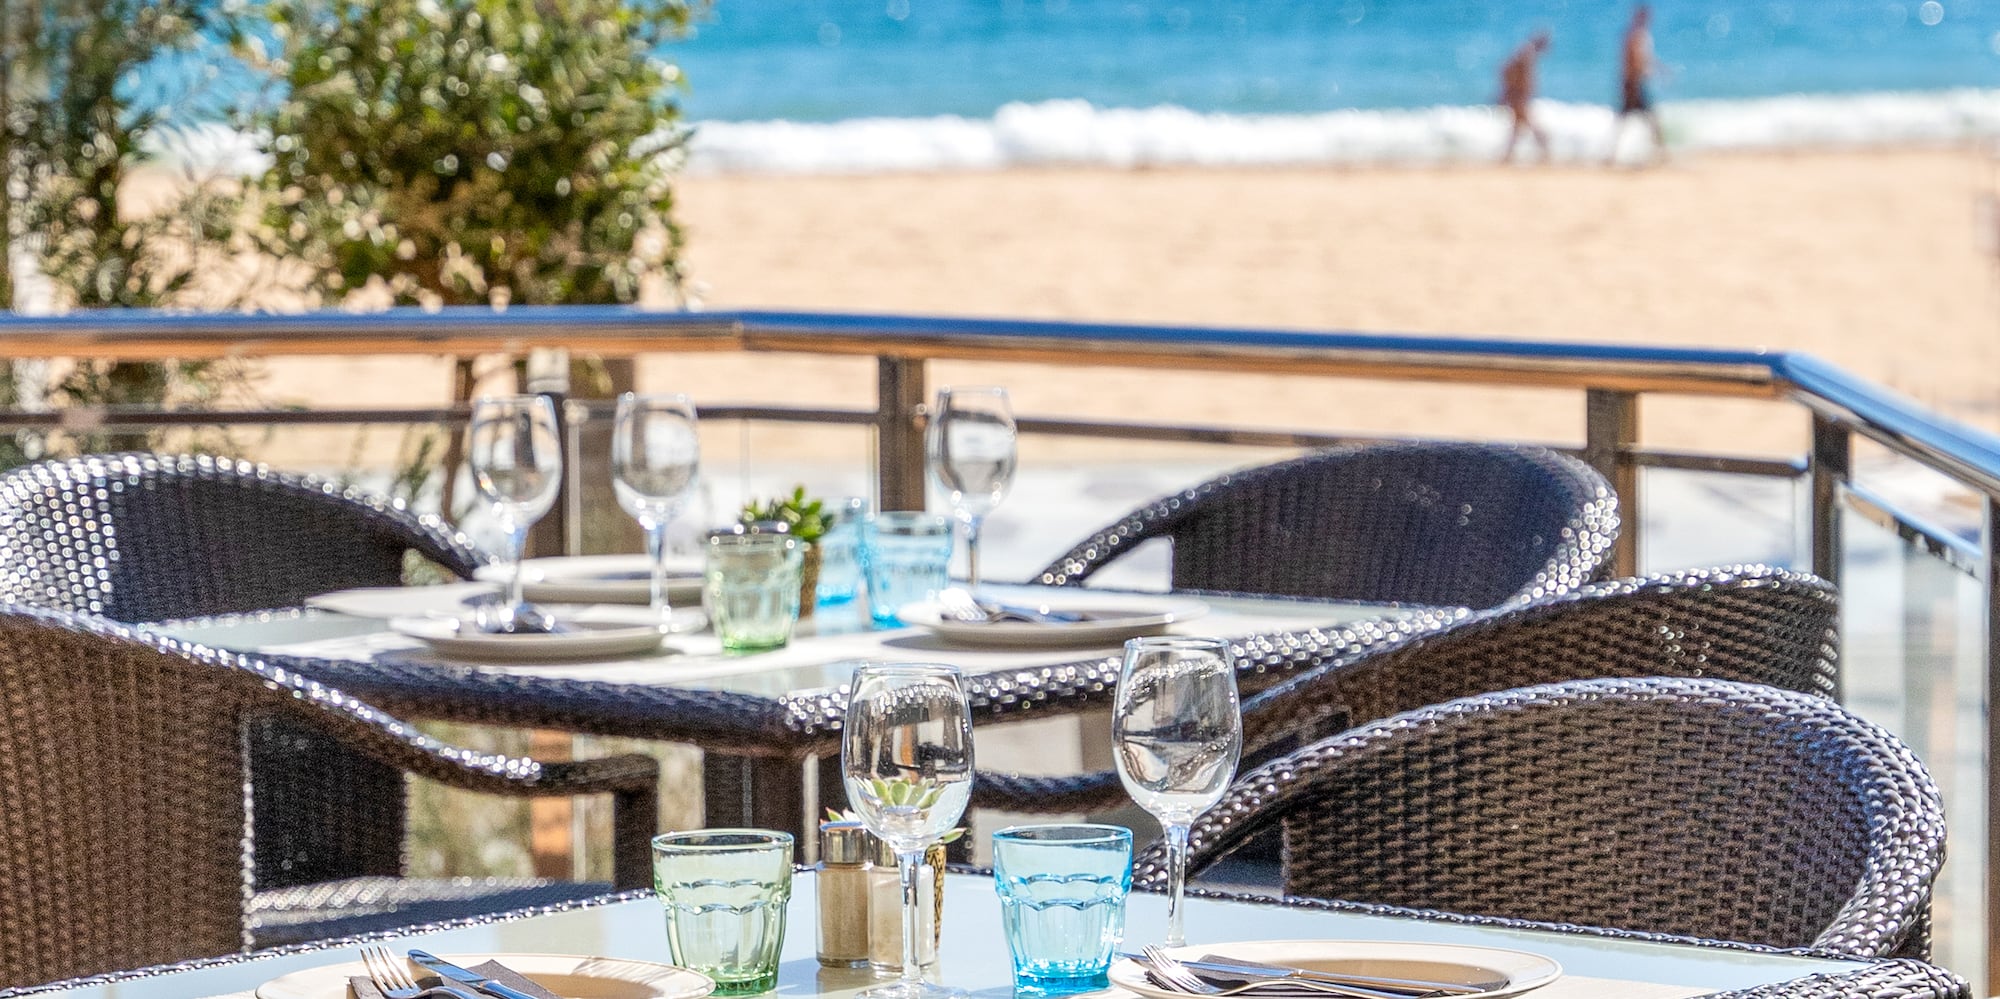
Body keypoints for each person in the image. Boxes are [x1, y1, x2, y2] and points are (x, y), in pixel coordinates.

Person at [1607, 4, 1667, 165]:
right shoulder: (1634, 36)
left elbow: (1644, 58)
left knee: (1630, 120)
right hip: (1635, 83)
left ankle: (1612, 154)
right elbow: (1632, 62)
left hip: (1636, 82)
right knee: (1648, 119)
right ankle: (1661, 154)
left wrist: (1660, 68)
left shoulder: (1636, 35)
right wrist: (1632, 84)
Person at [1498, 30, 1552, 164]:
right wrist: (1513, 91)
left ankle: (1508, 156)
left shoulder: (1526, 51)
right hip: (1518, 96)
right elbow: (1518, 74)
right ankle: (1545, 151)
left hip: (1517, 95)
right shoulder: (1528, 52)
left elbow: (1507, 70)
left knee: (1518, 127)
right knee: (1528, 125)